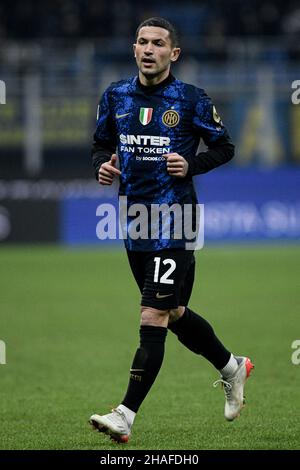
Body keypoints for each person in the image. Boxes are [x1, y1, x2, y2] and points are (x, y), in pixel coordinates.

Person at [89, 17, 254, 443]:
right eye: (142, 42)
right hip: (134, 221)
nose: (149, 49)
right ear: (134, 49)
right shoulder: (116, 96)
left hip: (176, 220)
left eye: (158, 43)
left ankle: (125, 414)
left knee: (152, 314)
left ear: (173, 53)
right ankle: (232, 367)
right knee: (174, 312)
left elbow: (225, 146)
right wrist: (103, 166)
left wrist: (191, 164)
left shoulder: (191, 99)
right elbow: (101, 143)